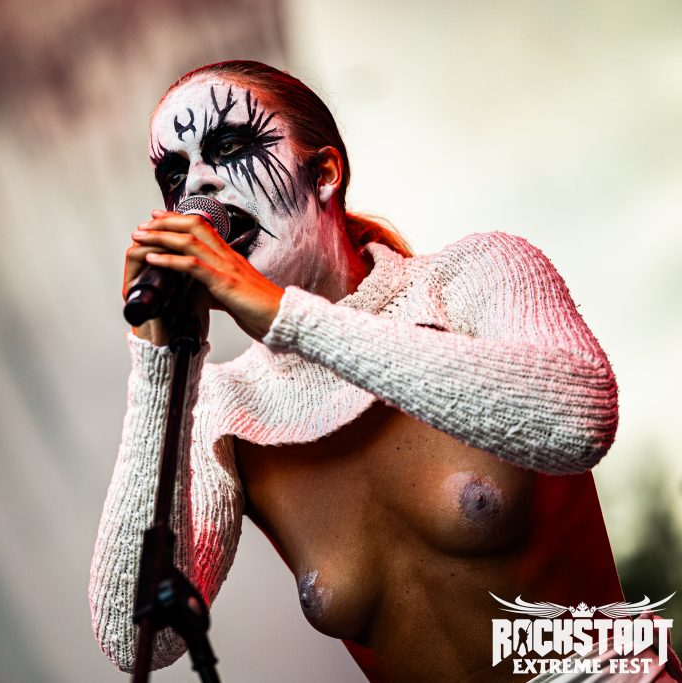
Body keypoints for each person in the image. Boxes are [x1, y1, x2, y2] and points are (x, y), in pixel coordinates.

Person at [89, 60, 675, 681]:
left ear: (324, 174)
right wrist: (158, 367)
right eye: (174, 175)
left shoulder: (472, 276)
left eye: (229, 147)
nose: (196, 189)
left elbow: (580, 418)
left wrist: (287, 317)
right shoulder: (226, 405)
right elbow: (136, 639)